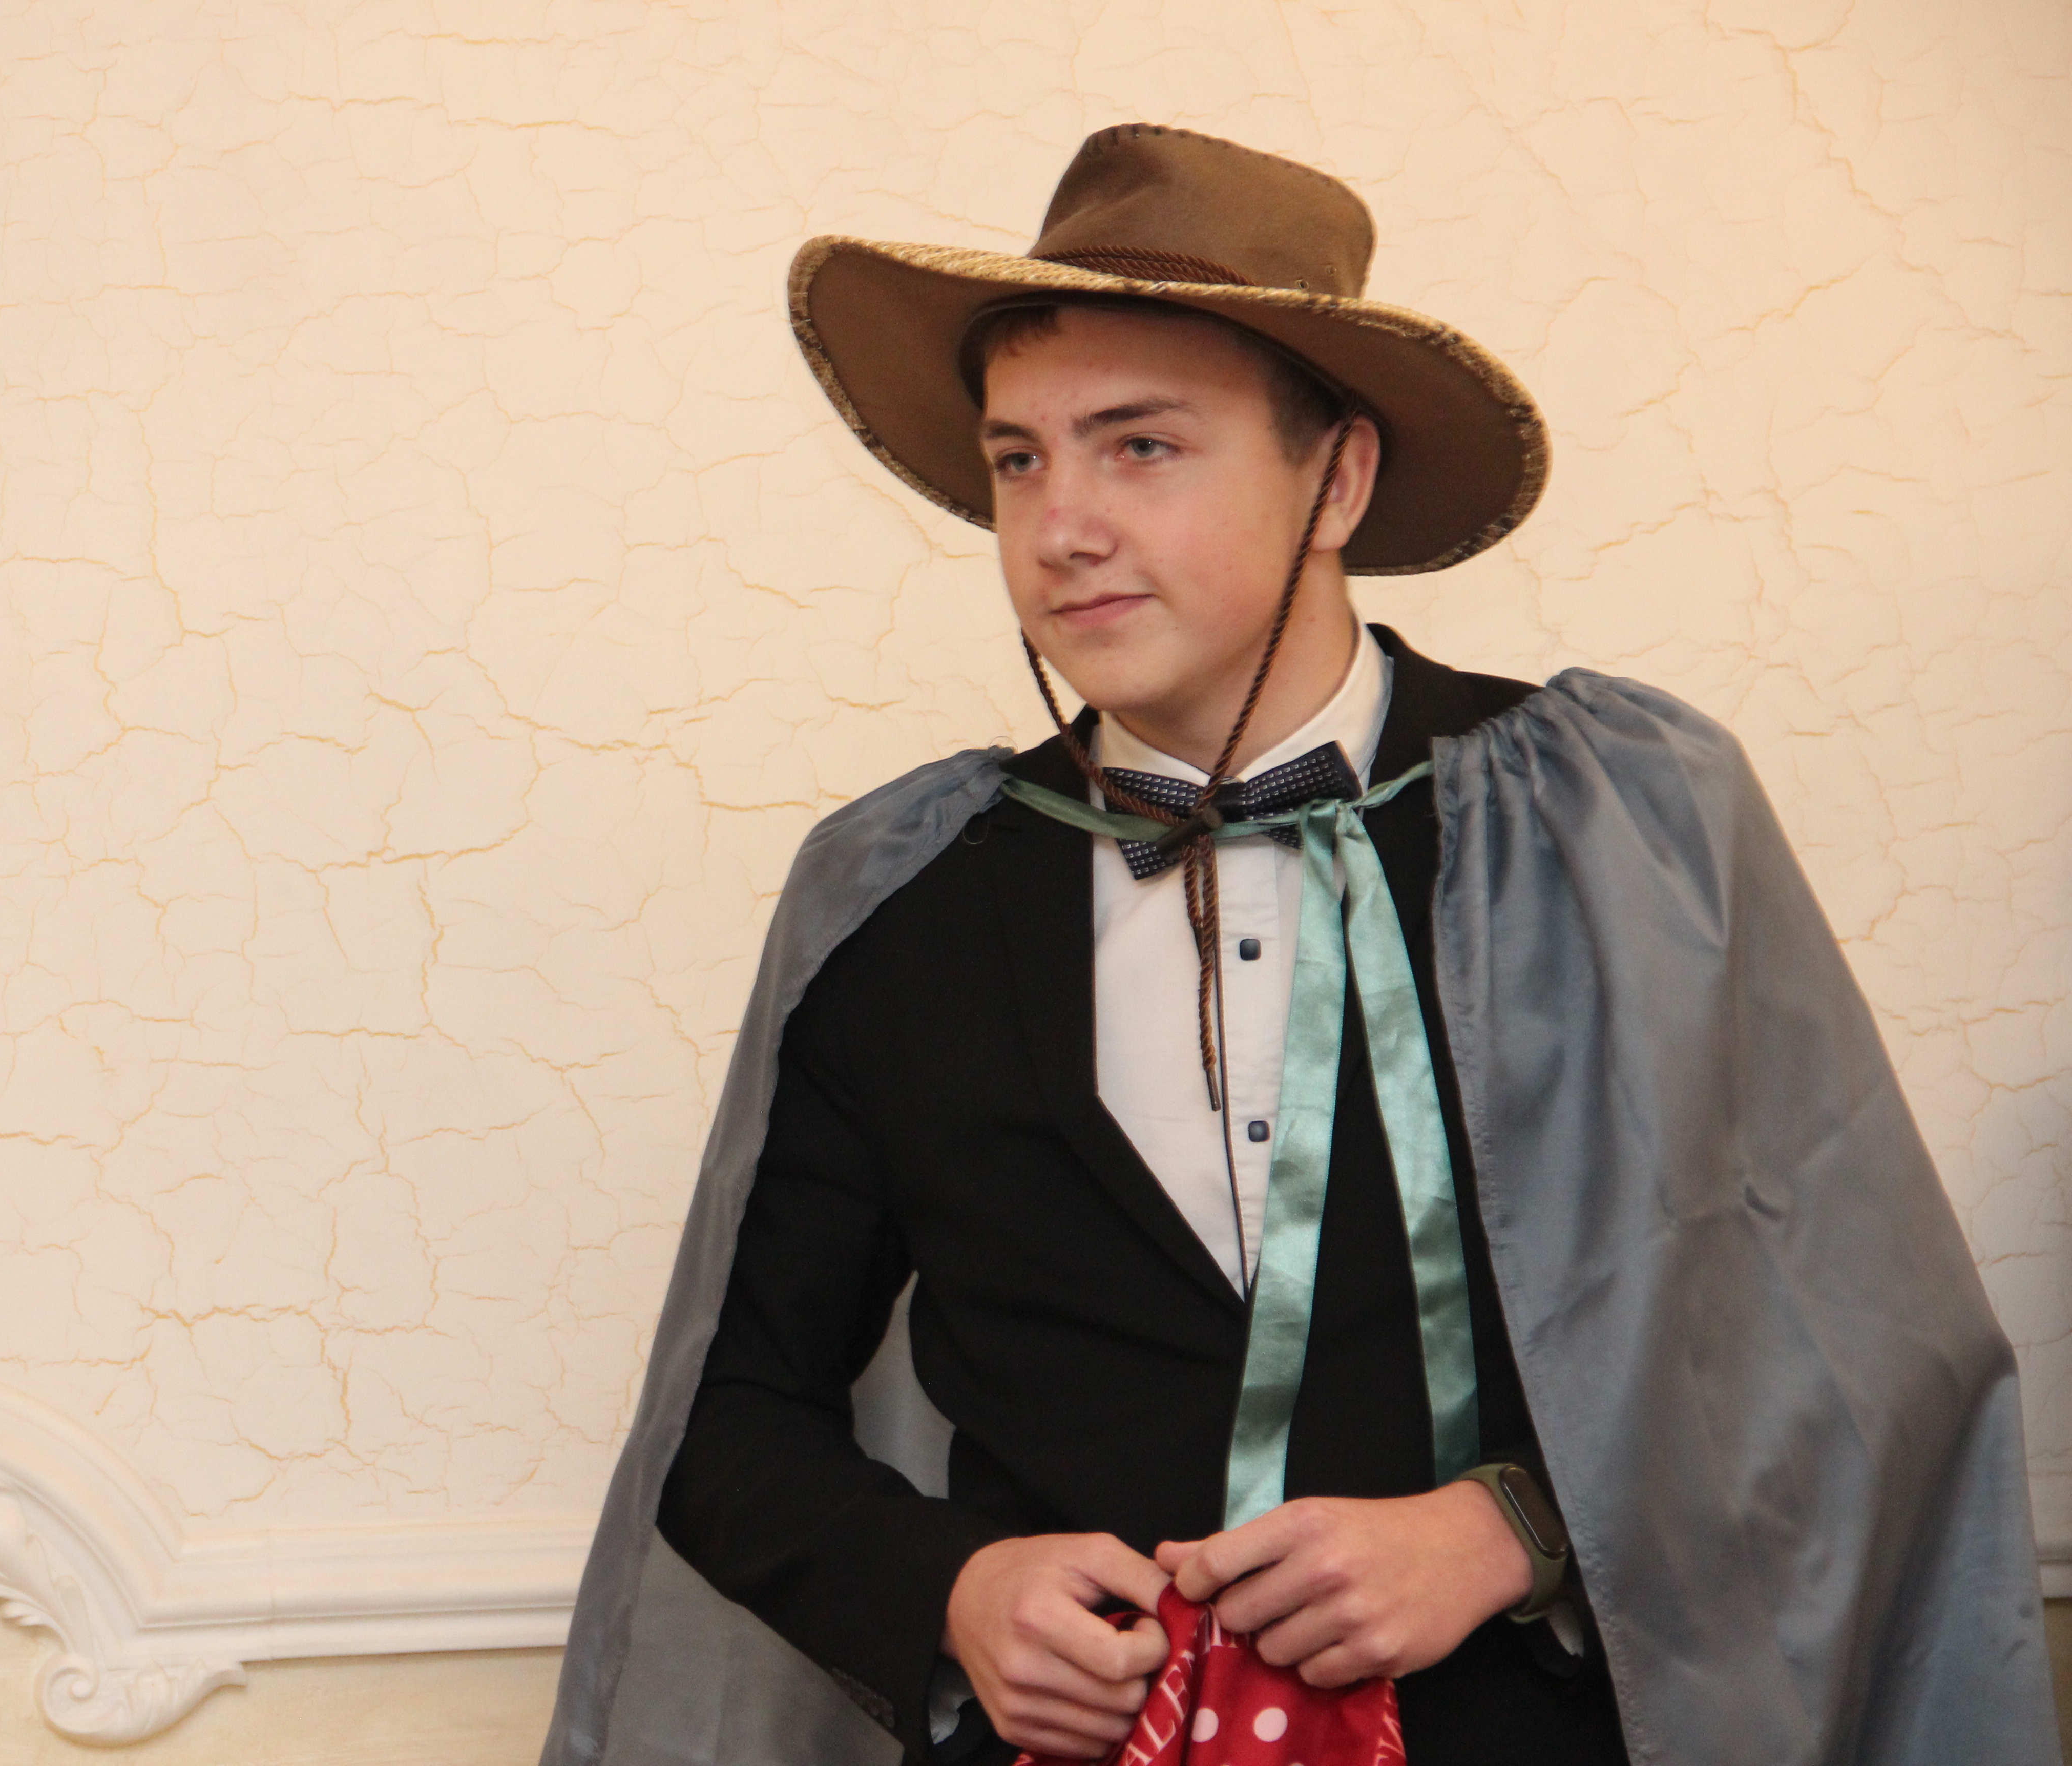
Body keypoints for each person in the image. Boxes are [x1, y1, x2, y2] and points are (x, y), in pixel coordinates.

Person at [542, 124, 2057, 1766]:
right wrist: (952, 1588)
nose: (1060, 528)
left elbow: (1851, 1349)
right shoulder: (898, 892)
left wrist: (1516, 1531)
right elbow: (725, 1421)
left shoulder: (1615, 822)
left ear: (1336, 479)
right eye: (1019, 461)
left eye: (1140, 447)